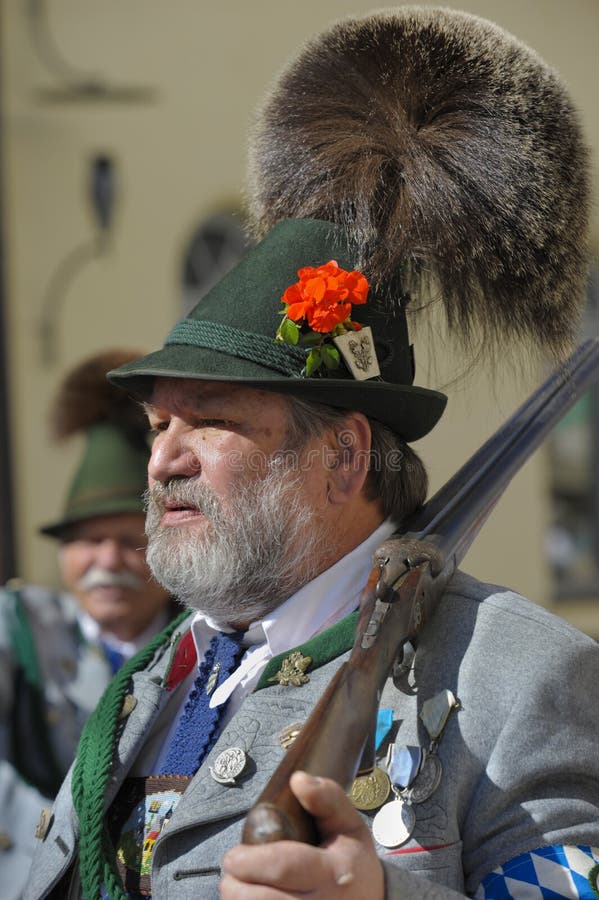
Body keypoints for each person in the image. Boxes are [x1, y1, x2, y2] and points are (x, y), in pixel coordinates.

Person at [25, 9, 599, 900]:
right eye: (157, 425)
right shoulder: (156, 672)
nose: (163, 459)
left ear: (342, 455)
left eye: (207, 421)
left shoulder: (516, 672)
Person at [0, 350, 173, 899]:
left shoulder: (207, 640)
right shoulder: (23, 630)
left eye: (128, 542)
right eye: (86, 541)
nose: (106, 561)